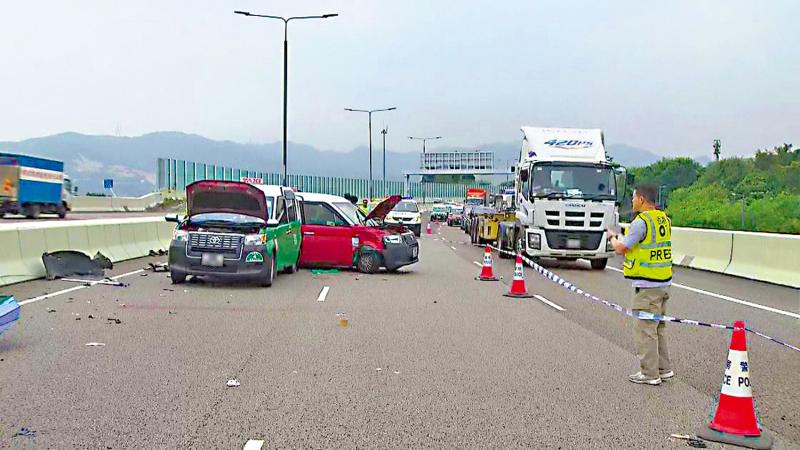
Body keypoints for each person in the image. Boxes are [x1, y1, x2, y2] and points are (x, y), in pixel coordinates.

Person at [607, 184, 673, 386]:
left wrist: (612, 237)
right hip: (664, 281)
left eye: (634, 198)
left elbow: (622, 248)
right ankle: (664, 369)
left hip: (647, 285)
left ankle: (649, 373)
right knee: (658, 328)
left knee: (645, 330)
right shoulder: (663, 219)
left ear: (642, 199)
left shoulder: (641, 222)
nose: (632, 201)